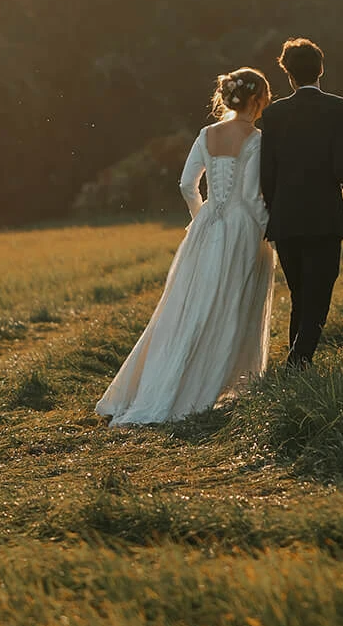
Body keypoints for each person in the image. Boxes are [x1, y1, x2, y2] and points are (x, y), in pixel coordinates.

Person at [95, 67, 278, 424]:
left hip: (208, 226)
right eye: (263, 102)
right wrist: (269, 231)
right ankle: (215, 379)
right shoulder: (256, 139)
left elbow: (185, 184)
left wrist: (203, 217)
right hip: (242, 227)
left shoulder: (207, 134)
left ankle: (165, 378)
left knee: (188, 303)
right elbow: (254, 196)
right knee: (231, 302)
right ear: (256, 100)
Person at [257, 37, 343, 367]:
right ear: (321, 69)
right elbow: (340, 164)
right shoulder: (339, 108)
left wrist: (275, 210)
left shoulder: (273, 114)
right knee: (318, 298)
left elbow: (268, 173)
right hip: (323, 217)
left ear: (288, 75)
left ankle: (299, 365)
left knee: (300, 296)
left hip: (286, 218)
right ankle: (296, 364)